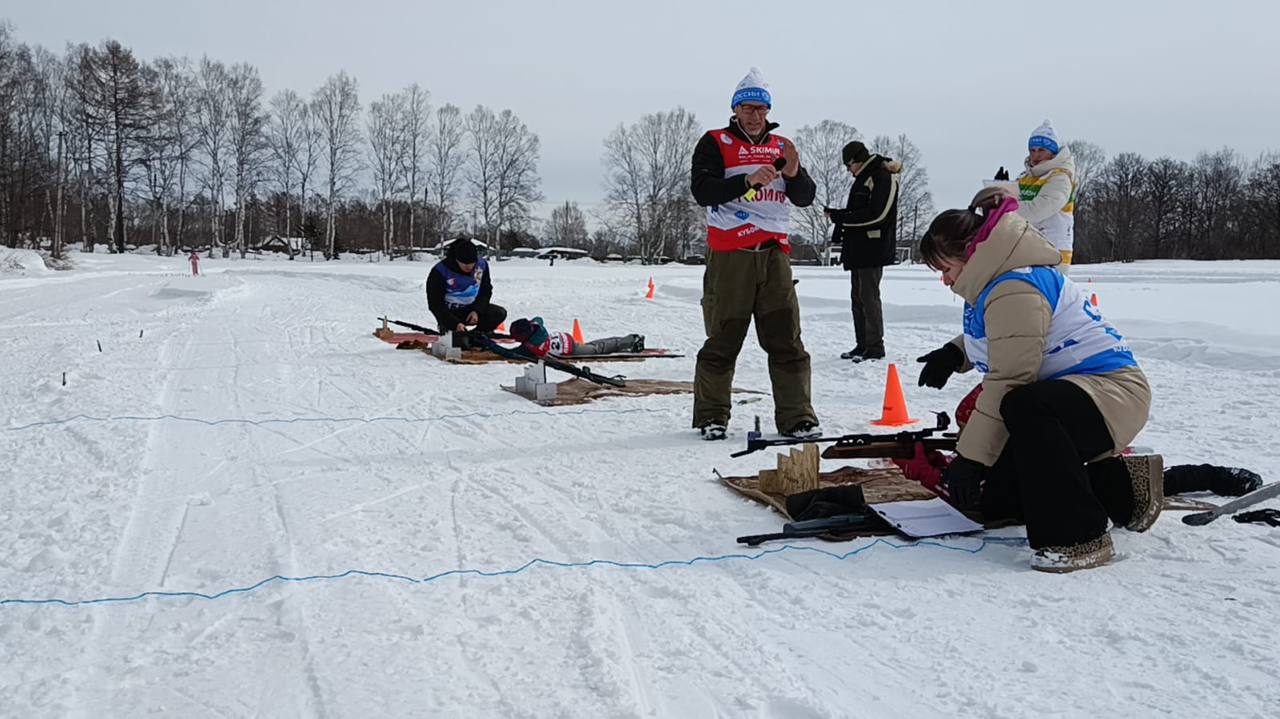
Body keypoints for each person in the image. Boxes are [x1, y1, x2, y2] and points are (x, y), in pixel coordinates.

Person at [914, 187, 1160, 573]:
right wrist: (955, 354)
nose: (945, 280)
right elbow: (1010, 335)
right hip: (1077, 396)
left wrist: (971, 458)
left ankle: (1080, 538)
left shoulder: (1015, 286)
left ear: (972, 253)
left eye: (946, 269)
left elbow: (1010, 377)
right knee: (999, 504)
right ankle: (1122, 491)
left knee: (1024, 405)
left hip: (1111, 395)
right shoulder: (1000, 280)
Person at [689, 67, 820, 441]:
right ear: (735, 110)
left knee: (786, 338)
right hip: (731, 253)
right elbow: (702, 190)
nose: (754, 116)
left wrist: (794, 173)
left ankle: (798, 417)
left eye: (760, 110)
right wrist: (746, 181)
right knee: (723, 338)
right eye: (747, 109)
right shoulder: (714, 142)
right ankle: (712, 415)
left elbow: (805, 197)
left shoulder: (781, 147)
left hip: (774, 253)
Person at [825, 141, 901, 362]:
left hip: (872, 248)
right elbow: (859, 210)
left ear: (855, 161)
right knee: (858, 298)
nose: (848, 171)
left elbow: (878, 214)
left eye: (848, 166)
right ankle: (862, 345)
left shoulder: (881, 175)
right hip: (858, 248)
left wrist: (843, 218)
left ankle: (876, 347)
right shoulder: (864, 177)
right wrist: (839, 216)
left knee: (869, 297)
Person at [1011, 120, 1077, 271]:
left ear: (1053, 152)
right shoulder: (1025, 177)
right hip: (1028, 251)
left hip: (1052, 255)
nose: (1036, 155)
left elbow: (1038, 210)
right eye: (1032, 150)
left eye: (1041, 150)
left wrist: (1004, 208)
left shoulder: (1060, 178)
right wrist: (999, 189)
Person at [425, 238, 507, 335]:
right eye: (464, 264)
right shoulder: (440, 271)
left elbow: (485, 290)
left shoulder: (481, 266)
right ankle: (453, 330)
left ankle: (478, 334)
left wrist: (477, 310)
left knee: (499, 313)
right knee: (454, 338)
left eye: (472, 264)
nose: (468, 268)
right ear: (456, 260)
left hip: (471, 309)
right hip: (450, 312)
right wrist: (454, 323)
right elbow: (435, 304)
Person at [508, 317, 644, 358]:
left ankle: (632, 340)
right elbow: (539, 318)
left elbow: (513, 353)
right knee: (595, 345)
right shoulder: (537, 327)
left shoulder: (533, 346)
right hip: (566, 339)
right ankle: (626, 340)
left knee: (599, 349)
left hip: (571, 349)